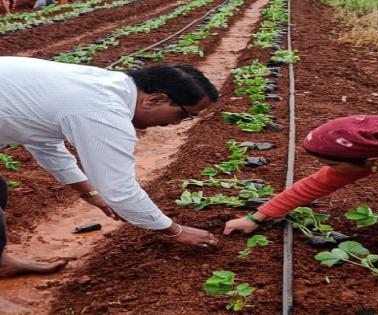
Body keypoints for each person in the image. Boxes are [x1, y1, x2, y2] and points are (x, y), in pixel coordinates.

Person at [0, 57, 220, 278]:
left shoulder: (107, 87)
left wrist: (91, 194)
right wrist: (176, 231)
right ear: (155, 99)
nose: (178, 123)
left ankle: (2, 264)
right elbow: (119, 190)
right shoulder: (104, 111)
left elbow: (42, 141)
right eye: (184, 115)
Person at [224, 115, 378, 234]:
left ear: (373, 162)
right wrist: (254, 218)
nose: (327, 168)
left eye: (332, 163)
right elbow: (315, 184)